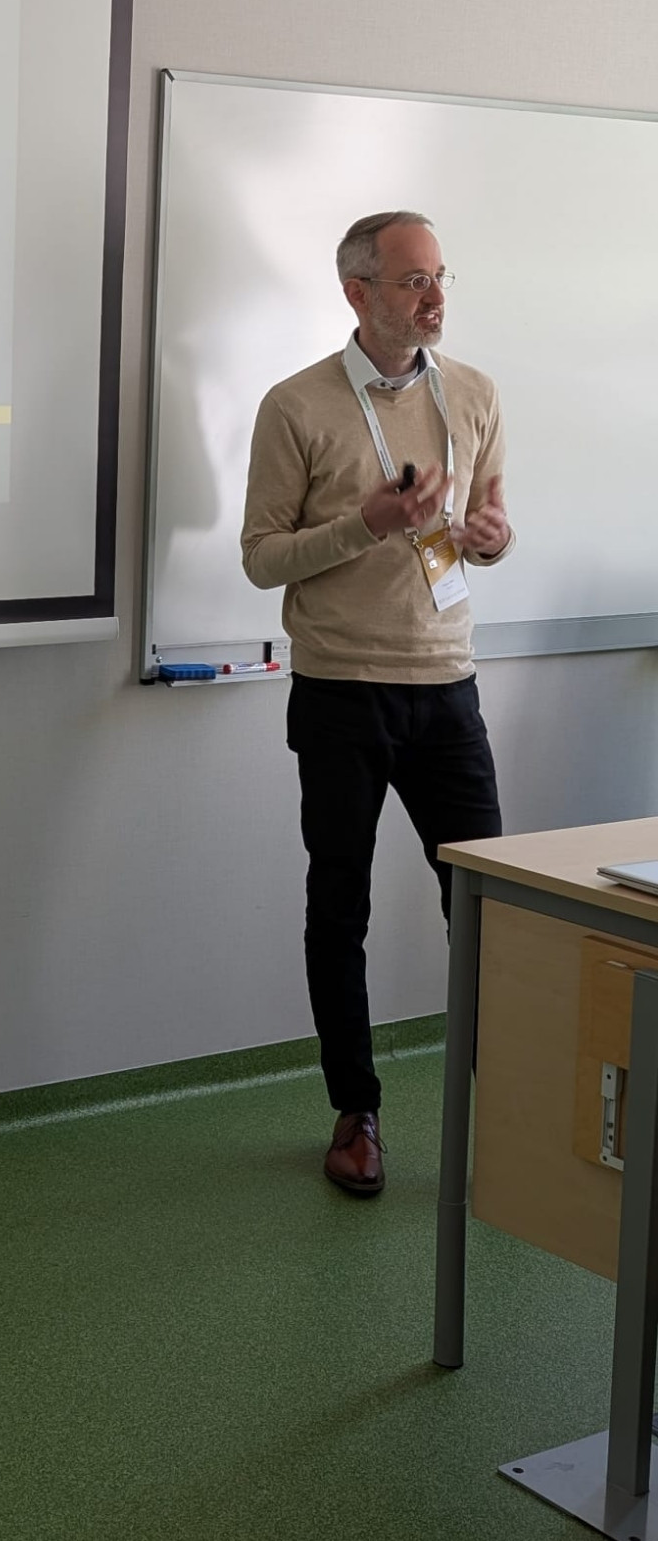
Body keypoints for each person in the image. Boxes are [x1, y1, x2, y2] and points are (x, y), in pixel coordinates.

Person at [240, 211, 512, 1197]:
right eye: (410, 281)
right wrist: (364, 523)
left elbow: (486, 522)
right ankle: (354, 1113)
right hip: (341, 690)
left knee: (485, 910)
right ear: (356, 292)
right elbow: (261, 557)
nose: (433, 298)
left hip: (446, 685)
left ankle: (504, 1113)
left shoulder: (472, 391)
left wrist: (490, 538)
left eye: (438, 277)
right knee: (338, 908)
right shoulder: (295, 405)